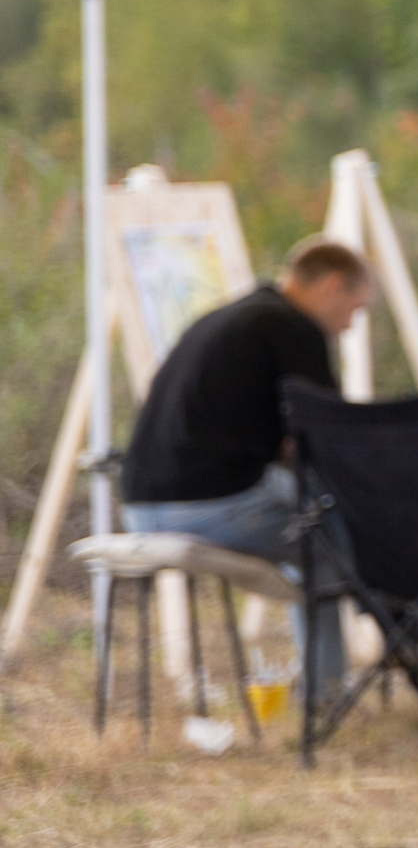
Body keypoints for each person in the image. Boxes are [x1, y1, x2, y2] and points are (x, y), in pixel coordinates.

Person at [122, 237, 375, 696]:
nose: (349, 326)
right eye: (354, 310)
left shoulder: (232, 317)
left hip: (140, 505)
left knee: (313, 504)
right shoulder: (293, 329)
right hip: (203, 506)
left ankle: (388, 628)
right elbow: (327, 438)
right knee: (331, 543)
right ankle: (333, 686)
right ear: (333, 286)